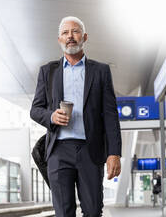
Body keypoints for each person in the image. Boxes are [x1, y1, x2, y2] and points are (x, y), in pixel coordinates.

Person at [30, 16, 122, 217]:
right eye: (65, 33)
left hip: (91, 150)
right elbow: (35, 110)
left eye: (75, 31)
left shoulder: (100, 71)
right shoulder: (48, 71)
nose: (70, 36)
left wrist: (114, 153)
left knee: (93, 211)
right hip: (58, 151)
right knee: (63, 212)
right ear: (59, 40)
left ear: (84, 37)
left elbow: (110, 115)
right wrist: (52, 116)